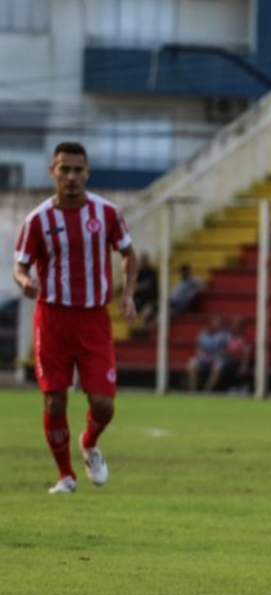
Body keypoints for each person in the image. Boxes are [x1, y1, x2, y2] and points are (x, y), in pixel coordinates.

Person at [12, 141, 139, 494]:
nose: (71, 176)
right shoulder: (38, 220)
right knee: (54, 399)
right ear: (52, 172)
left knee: (103, 403)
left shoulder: (107, 213)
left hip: (94, 319)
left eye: (77, 169)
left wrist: (127, 293)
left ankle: (89, 441)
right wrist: (25, 281)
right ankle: (66, 476)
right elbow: (20, 264)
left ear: (87, 172)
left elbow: (129, 254)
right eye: (64, 169)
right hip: (52, 319)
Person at [186, 315, 232, 391]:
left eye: (219, 323)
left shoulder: (226, 334)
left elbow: (229, 349)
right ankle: (193, 388)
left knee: (218, 366)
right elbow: (199, 348)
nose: (218, 325)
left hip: (219, 357)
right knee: (191, 364)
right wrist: (204, 356)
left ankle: (208, 388)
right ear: (211, 324)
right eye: (216, 323)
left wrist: (218, 355)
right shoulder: (203, 334)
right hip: (205, 357)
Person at [132, 252, 158, 334]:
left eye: (144, 260)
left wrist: (138, 287)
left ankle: (144, 329)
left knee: (146, 312)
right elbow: (134, 283)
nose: (143, 262)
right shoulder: (140, 272)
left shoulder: (152, 272)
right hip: (141, 301)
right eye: (142, 260)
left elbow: (149, 284)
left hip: (151, 302)